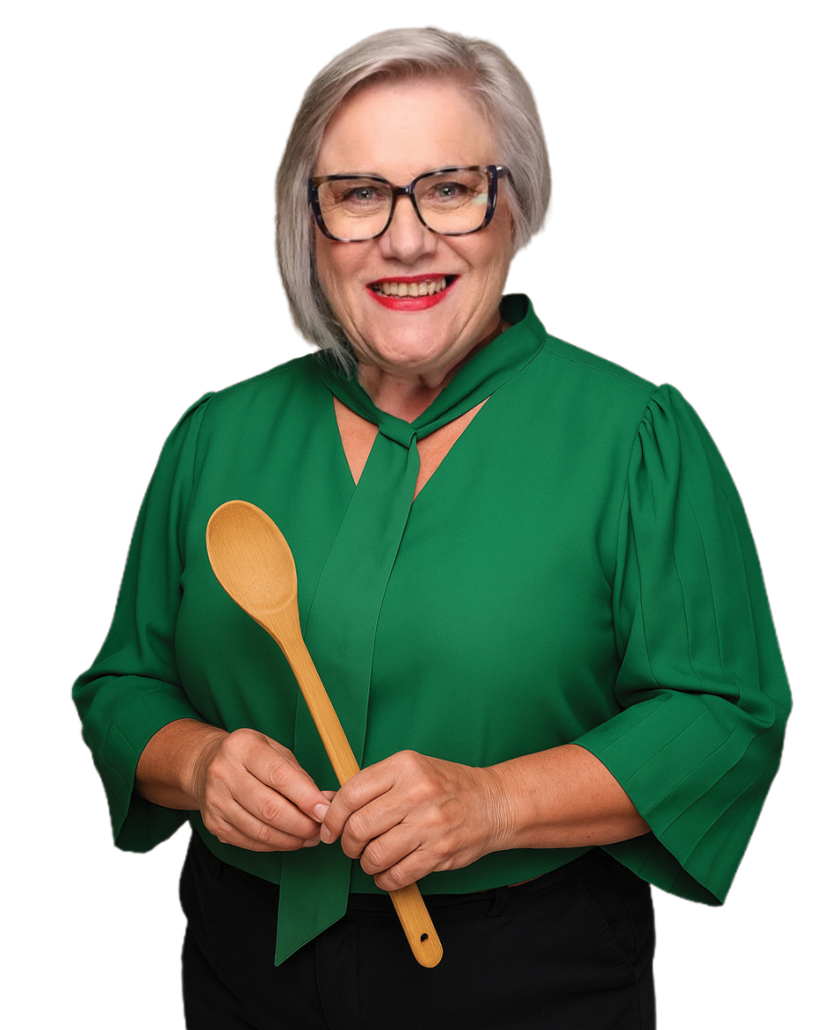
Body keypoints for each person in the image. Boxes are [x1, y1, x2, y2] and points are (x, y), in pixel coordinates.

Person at [71, 24, 791, 1029]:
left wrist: (495, 802)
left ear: (516, 204)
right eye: (360, 194)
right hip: (243, 965)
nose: (406, 240)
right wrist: (198, 762)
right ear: (307, 224)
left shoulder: (638, 437)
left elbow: (724, 715)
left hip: (531, 967)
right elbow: (123, 685)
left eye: (450, 187)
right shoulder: (214, 436)